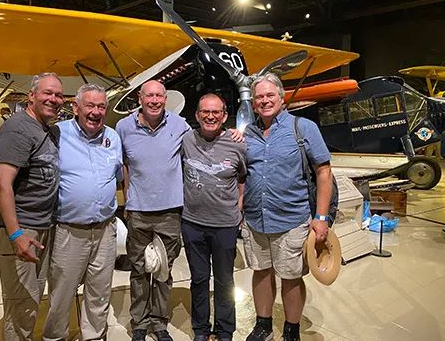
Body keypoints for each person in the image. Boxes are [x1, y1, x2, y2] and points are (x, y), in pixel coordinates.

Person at [242, 73, 332, 341]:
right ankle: (263, 324)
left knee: (291, 277)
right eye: (259, 97)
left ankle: (291, 329)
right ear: (254, 104)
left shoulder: (302, 128)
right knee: (260, 272)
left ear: (281, 98)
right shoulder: (249, 133)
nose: (265, 100)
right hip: (256, 219)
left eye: (270, 95)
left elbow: (324, 172)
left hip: (292, 219)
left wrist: (321, 217)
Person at [0, 72, 64, 341]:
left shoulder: (48, 130)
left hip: (41, 225)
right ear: (31, 95)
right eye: (47, 93)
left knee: (31, 300)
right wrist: (16, 235)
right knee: (21, 304)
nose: (53, 99)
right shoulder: (18, 128)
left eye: (58, 95)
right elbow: (4, 186)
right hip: (22, 227)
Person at [43, 83, 123, 341]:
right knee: (61, 293)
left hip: (105, 230)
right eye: (89, 105)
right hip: (69, 230)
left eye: (101, 106)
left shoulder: (113, 137)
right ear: (75, 108)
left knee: (99, 292)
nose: (96, 112)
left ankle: (95, 336)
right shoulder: (56, 134)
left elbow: (120, 176)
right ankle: (55, 337)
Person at [115, 80, 190, 341]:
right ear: (140, 97)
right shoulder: (123, 127)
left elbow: (203, 141)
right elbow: (123, 165)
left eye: (159, 96)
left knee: (163, 271)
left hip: (170, 211)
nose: (155, 101)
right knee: (139, 271)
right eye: (150, 96)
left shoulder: (179, 125)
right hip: (138, 211)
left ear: (166, 98)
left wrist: (231, 135)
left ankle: (159, 323)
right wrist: (126, 201)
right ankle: (139, 322)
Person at [181, 93, 247, 341]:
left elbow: (242, 177)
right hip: (192, 224)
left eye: (215, 112)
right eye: (205, 112)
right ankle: (200, 329)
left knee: (224, 280)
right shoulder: (186, 139)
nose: (210, 116)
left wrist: (239, 206)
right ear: (197, 115)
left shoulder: (237, 143)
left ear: (224, 116)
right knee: (198, 279)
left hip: (225, 225)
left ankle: (224, 329)